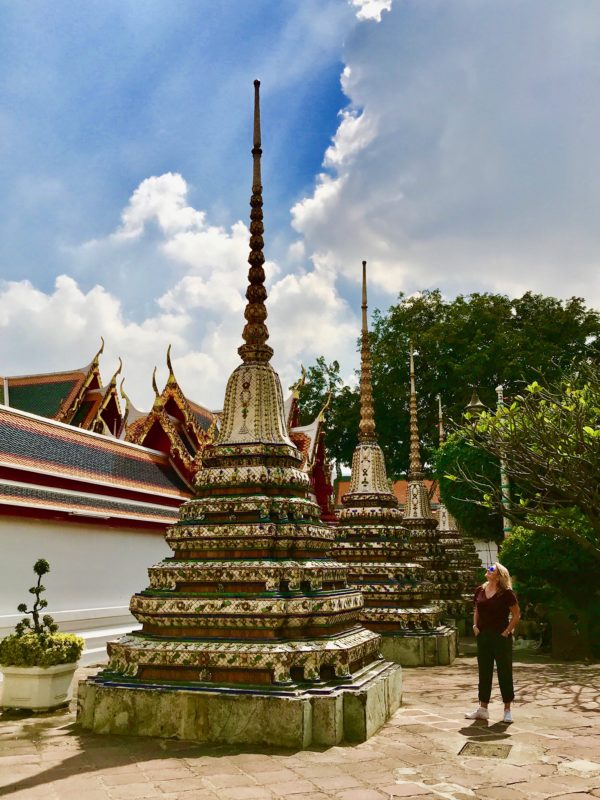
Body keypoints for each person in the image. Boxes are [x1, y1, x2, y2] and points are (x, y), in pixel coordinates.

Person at [465, 561, 521, 723]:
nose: (488, 570)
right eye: (489, 569)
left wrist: (506, 631)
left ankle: (507, 709)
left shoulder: (506, 593)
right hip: (483, 635)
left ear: (498, 576)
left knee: (504, 671)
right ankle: (483, 708)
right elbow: (477, 609)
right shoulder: (480, 590)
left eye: (492, 569)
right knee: (484, 671)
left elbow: (517, 615)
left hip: (501, 637)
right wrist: (475, 626)